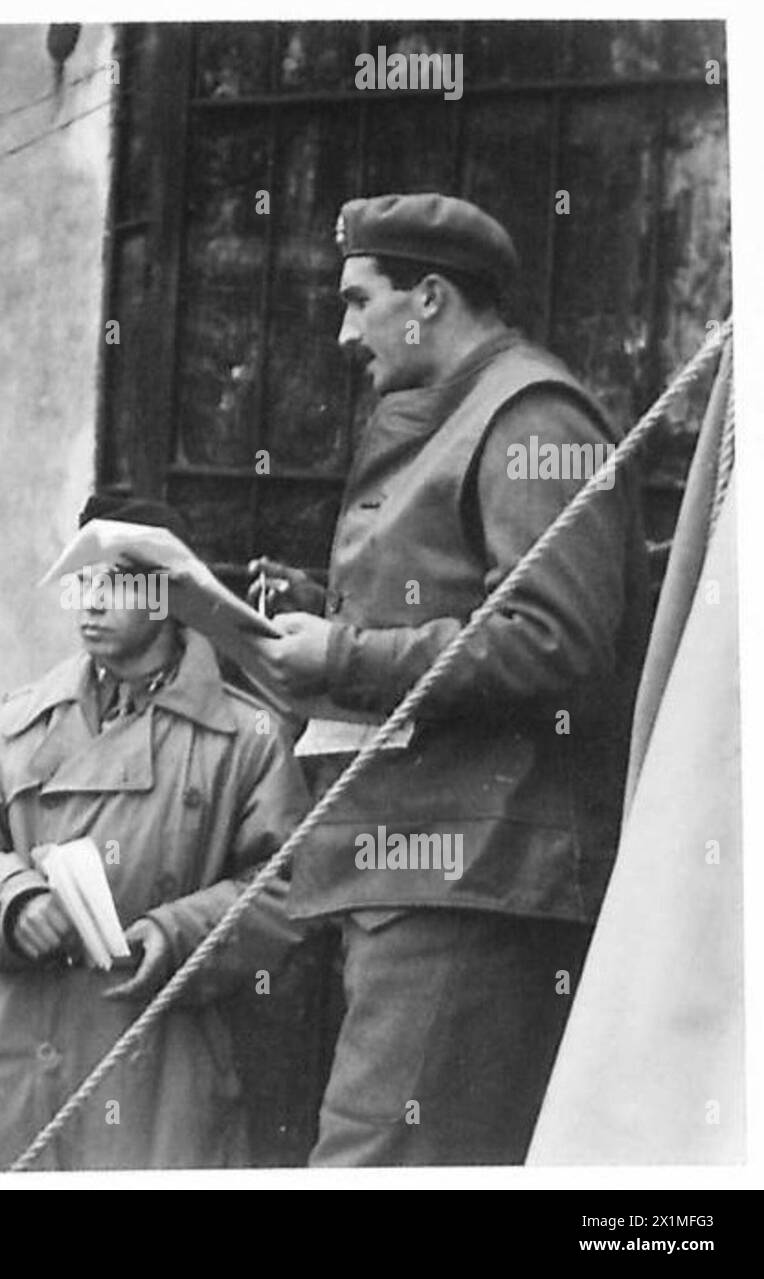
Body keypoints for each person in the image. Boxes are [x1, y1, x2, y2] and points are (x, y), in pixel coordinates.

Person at [249, 193, 650, 1165]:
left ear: (427, 296)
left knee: (377, 1163)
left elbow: (554, 639)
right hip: (421, 870)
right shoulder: (460, 413)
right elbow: (466, 608)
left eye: (357, 300)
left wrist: (341, 658)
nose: (345, 332)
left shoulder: (529, 415)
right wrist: (321, 609)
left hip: (474, 879)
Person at [0, 497, 309, 1171]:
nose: (92, 603)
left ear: (167, 596)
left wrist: (178, 931)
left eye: (118, 583)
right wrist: (15, 901)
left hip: (158, 1044)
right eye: (83, 582)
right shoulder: (21, 721)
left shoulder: (244, 738)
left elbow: (286, 887)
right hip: (19, 1044)